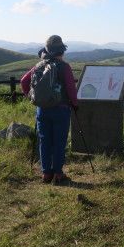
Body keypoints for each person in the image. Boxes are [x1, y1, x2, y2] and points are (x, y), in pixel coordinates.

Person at [21, 35, 79, 184]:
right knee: (59, 141)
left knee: (44, 141)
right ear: (61, 51)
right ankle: (58, 173)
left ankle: (46, 173)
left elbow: (24, 81)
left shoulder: (38, 66)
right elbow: (71, 88)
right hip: (61, 109)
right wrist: (75, 104)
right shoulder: (64, 67)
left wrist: (33, 97)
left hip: (42, 109)